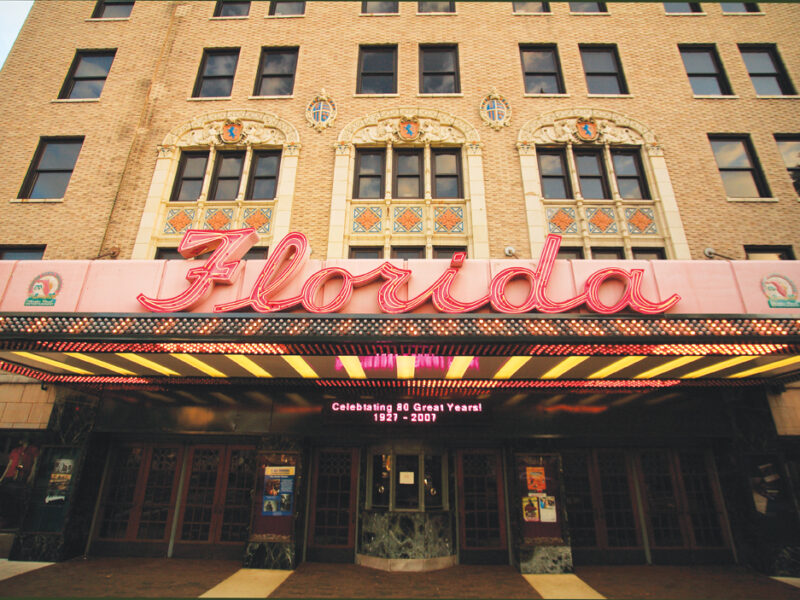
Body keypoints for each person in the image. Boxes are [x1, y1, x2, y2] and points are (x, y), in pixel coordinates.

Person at [0, 438, 39, 529]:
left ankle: (11, 519)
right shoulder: (15, 451)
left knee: (15, 495)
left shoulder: (33, 450)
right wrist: (2, 478)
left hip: (22, 476)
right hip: (10, 476)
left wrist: (31, 476)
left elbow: (35, 463)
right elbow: (10, 464)